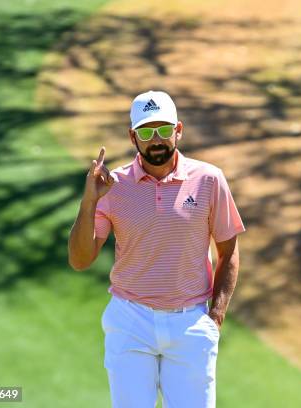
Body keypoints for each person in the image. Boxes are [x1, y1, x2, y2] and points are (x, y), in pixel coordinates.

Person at [68, 90, 245, 408]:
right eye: (147, 132)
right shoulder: (113, 186)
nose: (157, 140)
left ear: (178, 130)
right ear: (133, 136)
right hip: (130, 320)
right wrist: (90, 199)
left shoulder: (209, 180)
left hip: (190, 323)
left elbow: (228, 250)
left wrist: (215, 316)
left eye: (164, 130)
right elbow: (80, 259)